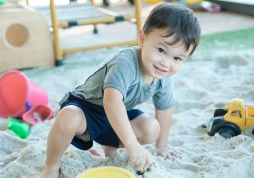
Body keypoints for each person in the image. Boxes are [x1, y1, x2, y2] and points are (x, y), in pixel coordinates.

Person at [39, 3, 201, 178]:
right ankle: (51, 165)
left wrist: (162, 146)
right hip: (87, 110)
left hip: (118, 115)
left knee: (152, 129)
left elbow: (165, 109)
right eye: (161, 50)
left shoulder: (165, 76)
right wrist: (132, 146)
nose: (166, 63)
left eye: (177, 58)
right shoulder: (125, 63)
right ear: (142, 38)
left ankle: (111, 146)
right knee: (68, 116)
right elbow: (112, 102)